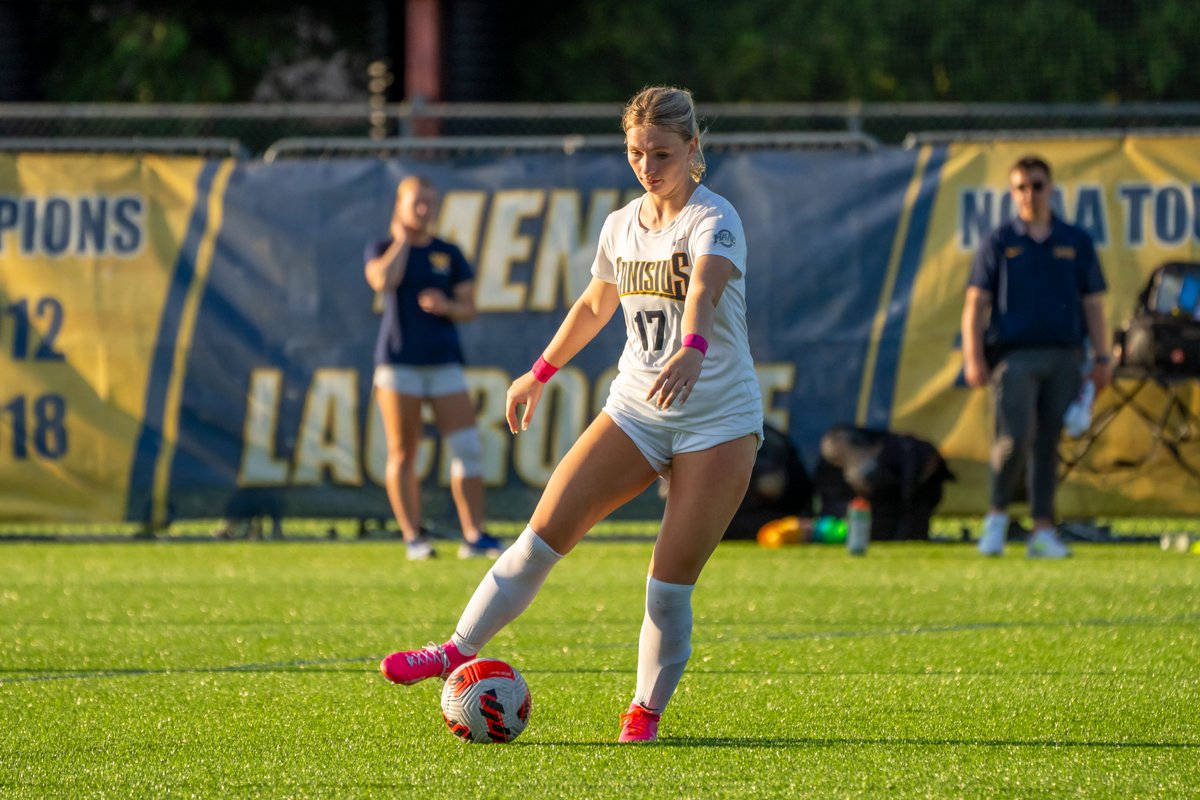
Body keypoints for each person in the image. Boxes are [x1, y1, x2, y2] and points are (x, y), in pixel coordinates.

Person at [379, 85, 763, 743]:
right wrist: (538, 373)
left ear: (694, 149)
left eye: (663, 153)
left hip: (718, 421)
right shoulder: (621, 223)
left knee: (666, 587)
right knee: (539, 537)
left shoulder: (713, 217)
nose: (648, 165)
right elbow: (593, 305)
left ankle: (643, 712)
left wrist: (693, 347)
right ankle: (454, 650)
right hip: (637, 409)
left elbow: (703, 286)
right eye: (637, 152)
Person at [961, 155, 1111, 559]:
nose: (1030, 194)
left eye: (1037, 185)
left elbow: (1093, 303)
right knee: (1014, 438)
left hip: (1064, 355)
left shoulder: (1074, 240)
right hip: (1015, 356)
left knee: (1048, 443)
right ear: (1012, 193)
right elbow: (976, 303)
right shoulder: (1000, 241)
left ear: (1051, 188)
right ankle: (996, 517)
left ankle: (1042, 529)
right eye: (1021, 187)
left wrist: (1102, 357)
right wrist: (974, 357)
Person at [364, 176, 503, 561]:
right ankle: (413, 538)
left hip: (443, 362)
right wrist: (403, 240)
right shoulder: (383, 248)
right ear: (400, 205)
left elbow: (469, 307)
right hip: (398, 364)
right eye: (416, 203)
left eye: (429, 202)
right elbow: (380, 280)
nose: (424, 210)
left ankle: (474, 536)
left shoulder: (449, 252)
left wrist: (446, 307)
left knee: (467, 449)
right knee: (404, 453)